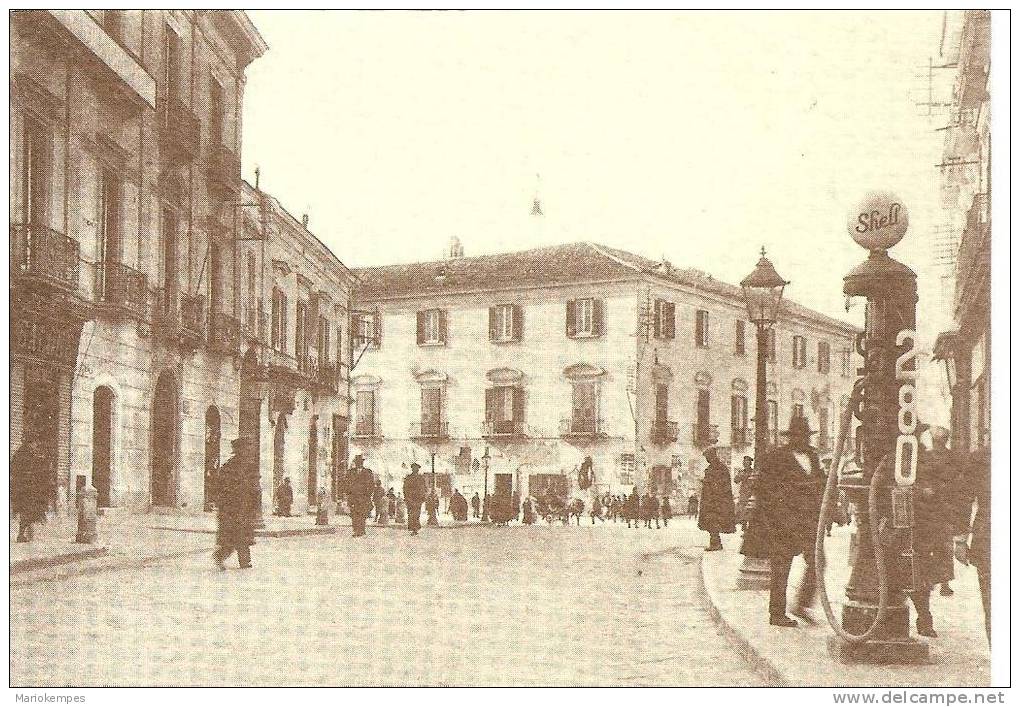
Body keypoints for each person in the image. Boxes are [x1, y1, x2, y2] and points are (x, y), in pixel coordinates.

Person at [756, 415, 825, 627]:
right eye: (800, 436)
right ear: (792, 437)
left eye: (806, 436)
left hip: (809, 522)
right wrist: (778, 514)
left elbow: (821, 483)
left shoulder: (813, 456)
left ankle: (802, 604)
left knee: (817, 562)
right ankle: (776, 614)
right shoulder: (775, 457)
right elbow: (764, 489)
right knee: (781, 568)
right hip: (783, 522)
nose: (804, 440)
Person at [906, 424, 956, 638]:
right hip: (906, 521)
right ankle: (923, 618)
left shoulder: (926, 459)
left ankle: (924, 618)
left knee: (921, 570)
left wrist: (925, 492)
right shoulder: (903, 456)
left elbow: (942, 488)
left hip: (922, 524)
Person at [951, 443, 990, 643]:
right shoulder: (982, 457)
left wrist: (960, 539)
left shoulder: (982, 455)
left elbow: (962, 497)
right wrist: (959, 539)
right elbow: (963, 496)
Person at [213, 437, 260, 569]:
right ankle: (221, 556)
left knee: (241, 535)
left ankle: (245, 561)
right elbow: (220, 487)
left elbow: (255, 488)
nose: (249, 451)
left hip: (241, 507)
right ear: (240, 450)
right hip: (233, 508)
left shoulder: (246, 466)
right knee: (234, 536)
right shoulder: (233, 467)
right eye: (247, 448)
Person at [10, 438, 51, 542]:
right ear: (29, 443)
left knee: (28, 512)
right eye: (34, 443)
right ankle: (21, 535)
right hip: (25, 489)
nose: (36, 445)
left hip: (23, 488)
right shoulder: (24, 454)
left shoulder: (21, 453)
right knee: (27, 511)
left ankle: (27, 534)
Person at [698, 448, 736, 550]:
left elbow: (720, 484)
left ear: (712, 456)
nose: (707, 459)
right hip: (711, 500)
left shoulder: (720, 468)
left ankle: (715, 544)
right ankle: (716, 543)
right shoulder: (713, 468)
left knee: (713, 521)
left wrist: (707, 482)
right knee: (711, 522)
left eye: (707, 457)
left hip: (716, 501)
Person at [347, 455, 375, 538]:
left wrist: (368, 495)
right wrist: (348, 494)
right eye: (357, 462)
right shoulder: (350, 472)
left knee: (363, 514)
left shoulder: (368, 472)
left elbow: (371, 485)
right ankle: (356, 530)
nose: (359, 463)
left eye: (361, 462)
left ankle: (362, 529)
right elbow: (346, 484)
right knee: (354, 514)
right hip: (353, 497)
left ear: (362, 462)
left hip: (364, 497)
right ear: (355, 463)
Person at [403, 463, 426, 535]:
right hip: (411, 498)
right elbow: (405, 488)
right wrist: (406, 497)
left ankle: (415, 529)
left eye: (417, 468)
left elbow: (424, 488)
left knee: (416, 514)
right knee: (412, 514)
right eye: (414, 468)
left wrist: (423, 497)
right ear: (412, 469)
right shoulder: (409, 478)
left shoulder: (420, 478)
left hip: (417, 499)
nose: (416, 470)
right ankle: (414, 528)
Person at [733, 456, 754, 529]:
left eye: (747, 462)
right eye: (744, 462)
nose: (745, 464)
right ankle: (744, 524)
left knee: (750, 509)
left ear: (750, 463)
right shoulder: (741, 472)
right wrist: (740, 475)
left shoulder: (753, 472)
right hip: (743, 494)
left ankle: (750, 524)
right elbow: (735, 480)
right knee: (742, 509)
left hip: (751, 493)